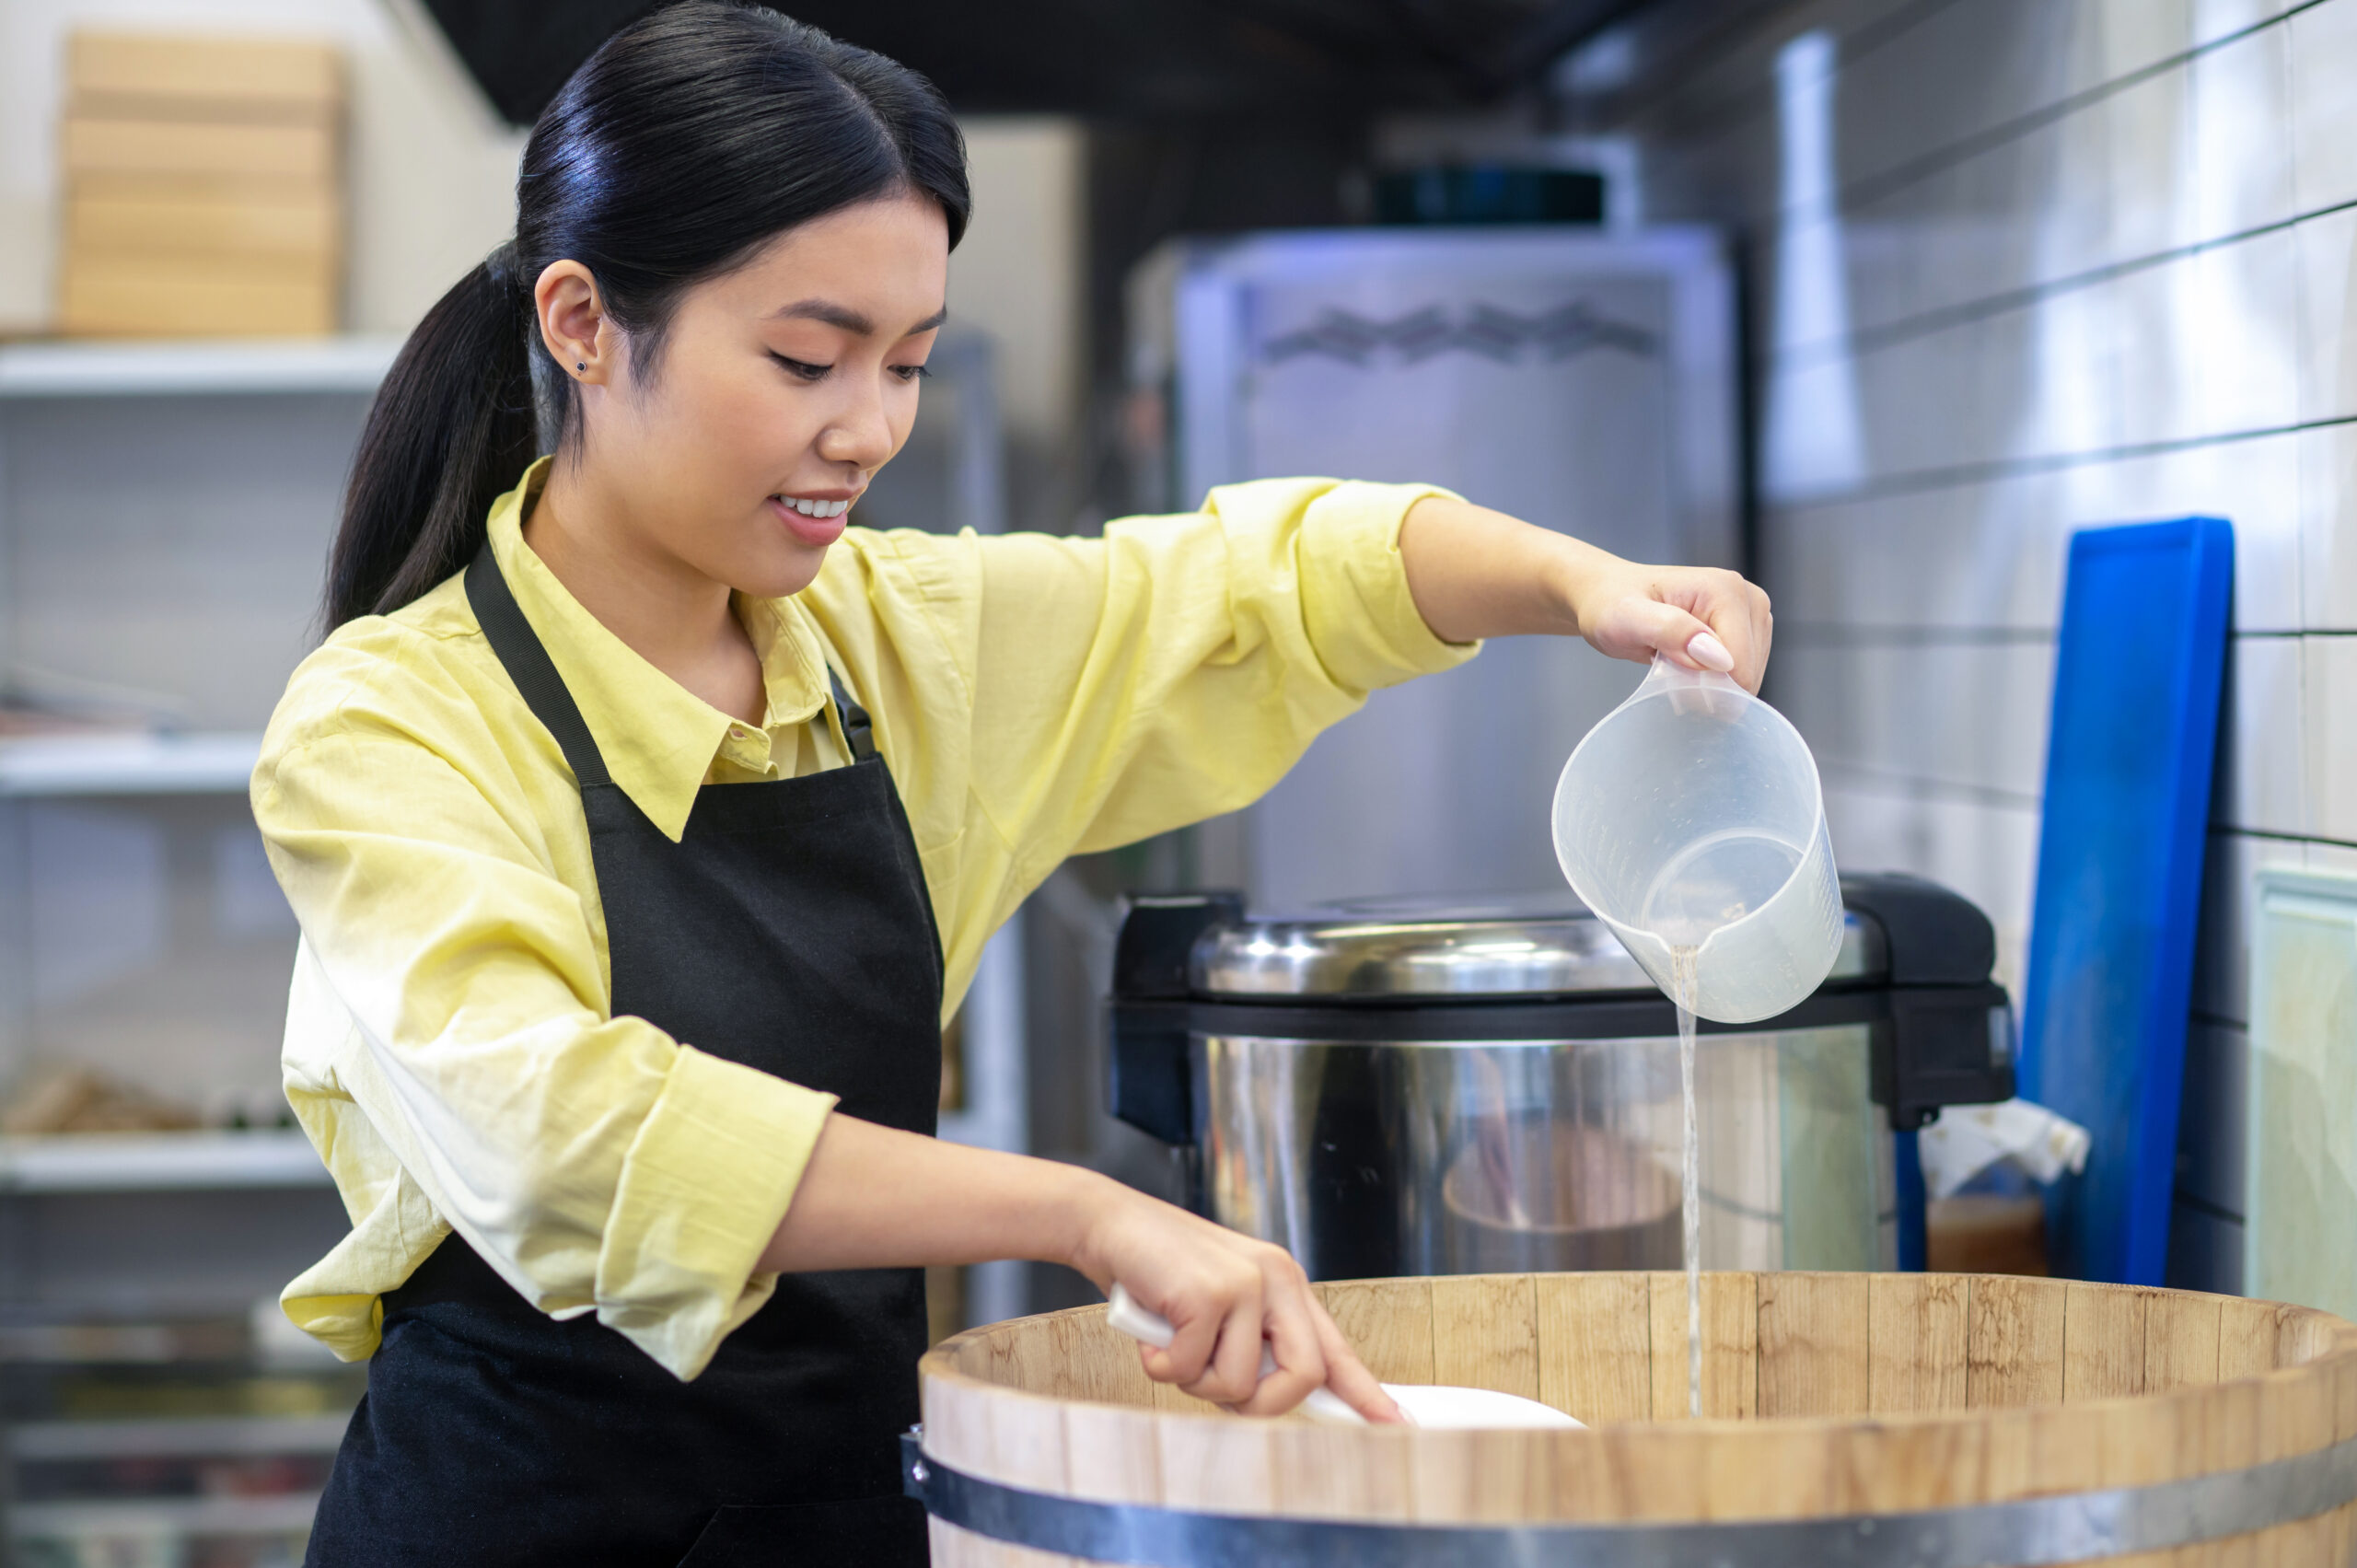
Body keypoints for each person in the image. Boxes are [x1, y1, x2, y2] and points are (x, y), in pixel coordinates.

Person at [253, 5, 1772, 1563]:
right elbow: (562, 1133)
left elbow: (1263, 584)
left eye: (905, 363)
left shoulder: (886, 649)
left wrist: (1586, 584)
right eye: (804, 358)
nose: (868, 429)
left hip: (835, 1519)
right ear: (583, 322)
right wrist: (1082, 1214)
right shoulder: (390, 723)